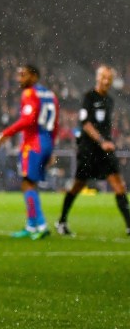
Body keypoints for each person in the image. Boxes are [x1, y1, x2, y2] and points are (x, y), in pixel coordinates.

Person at [56, 65, 130, 236]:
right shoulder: (88, 97)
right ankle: (62, 221)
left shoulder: (110, 101)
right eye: (103, 78)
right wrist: (102, 140)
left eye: (109, 79)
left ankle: (129, 225)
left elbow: (105, 125)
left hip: (105, 150)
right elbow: (86, 124)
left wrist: (108, 141)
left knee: (119, 184)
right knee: (78, 185)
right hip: (89, 149)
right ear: (97, 78)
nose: (106, 82)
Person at [0, 64, 58, 240]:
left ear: (34, 76)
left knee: (27, 184)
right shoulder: (51, 95)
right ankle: (31, 226)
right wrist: (51, 148)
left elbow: (28, 120)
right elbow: (56, 125)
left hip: (33, 144)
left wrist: (6, 134)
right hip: (46, 143)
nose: (19, 79)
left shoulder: (30, 93)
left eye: (23, 75)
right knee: (30, 184)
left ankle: (41, 225)